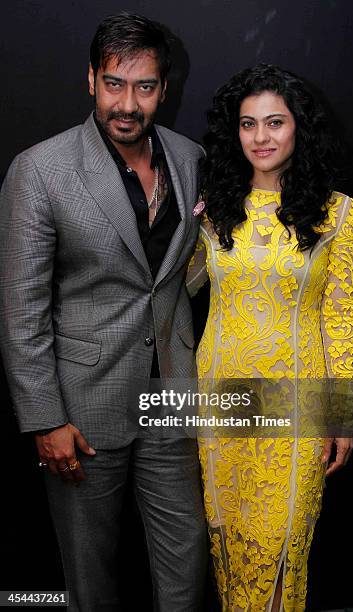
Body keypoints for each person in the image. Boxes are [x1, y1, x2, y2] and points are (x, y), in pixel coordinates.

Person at [0, 12, 207, 612]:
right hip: (82, 410)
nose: (128, 102)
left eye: (144, 86)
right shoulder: (40, 170)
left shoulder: (190, 158)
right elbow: (21, 310)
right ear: (91, 79)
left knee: (186, 558)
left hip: (172, 395)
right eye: (115, 83)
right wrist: (44, 419)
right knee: (90, 578)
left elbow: (176, 276)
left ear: (163, 90)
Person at [187, 64, 353, 611]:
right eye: (247, 124)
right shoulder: (214, 210)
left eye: (274, 123)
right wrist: (186, 227)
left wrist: (344, 415)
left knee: (283, 543)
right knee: (227, 542)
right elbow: (180, 285)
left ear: (298, 129)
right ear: (233, 131)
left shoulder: (340, 215)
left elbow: (340, 320)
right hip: (220, 399)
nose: (260, 138)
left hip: (297, 405)